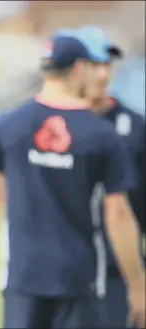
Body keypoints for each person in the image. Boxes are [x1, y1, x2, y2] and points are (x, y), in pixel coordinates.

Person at [0, 28, 145, 328]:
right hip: (80, 279)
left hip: (21, 278)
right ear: (80, 69)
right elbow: (117, 214)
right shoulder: (101, 134)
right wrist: (137, 285)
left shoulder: (8, 124)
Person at [76, 26, 146, 328]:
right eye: (94, 65)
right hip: (67, 274)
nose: (103, 74)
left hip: (121, 270)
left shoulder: (135, 125)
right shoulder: (48, 125)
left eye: (107, 64)